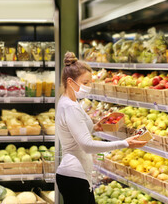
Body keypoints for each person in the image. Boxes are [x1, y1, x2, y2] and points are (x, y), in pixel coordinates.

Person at [56, 52, 147, 204]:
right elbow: (86, 145)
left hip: (77, 176)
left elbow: (77, 130)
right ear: (71, 82)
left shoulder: (69, 102)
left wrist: (96, 127)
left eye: (90, 82)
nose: (89, 87)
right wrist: (124, 143)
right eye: (85, 83)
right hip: (74, 177)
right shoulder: (70, 107)